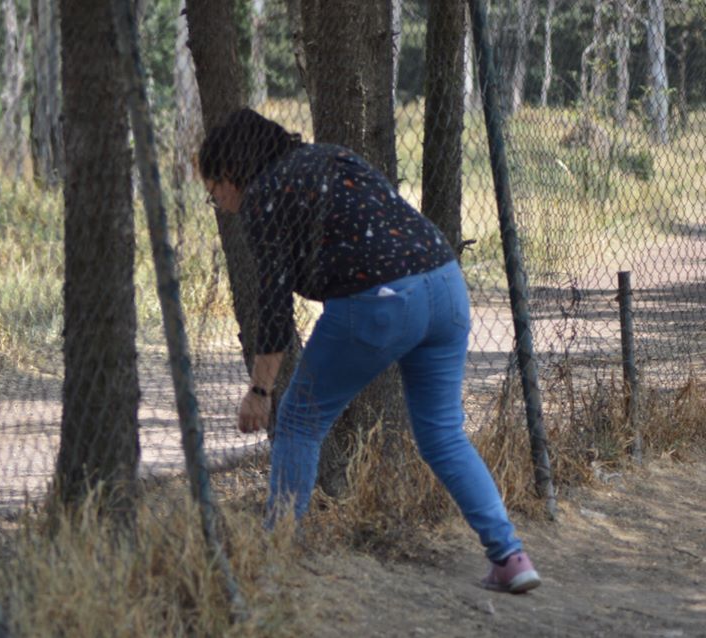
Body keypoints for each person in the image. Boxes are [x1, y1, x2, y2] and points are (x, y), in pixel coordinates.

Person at [199, 108, 541, 594]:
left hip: (381, 302)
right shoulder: (332, 156)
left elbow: (274, 304)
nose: (221, 204)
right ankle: (511, 558)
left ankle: (270, 568)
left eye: (214, 193)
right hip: (446, 287)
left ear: (230, 175)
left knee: (297, 420)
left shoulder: (263, 196)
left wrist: (260, 389)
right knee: (443, 434)